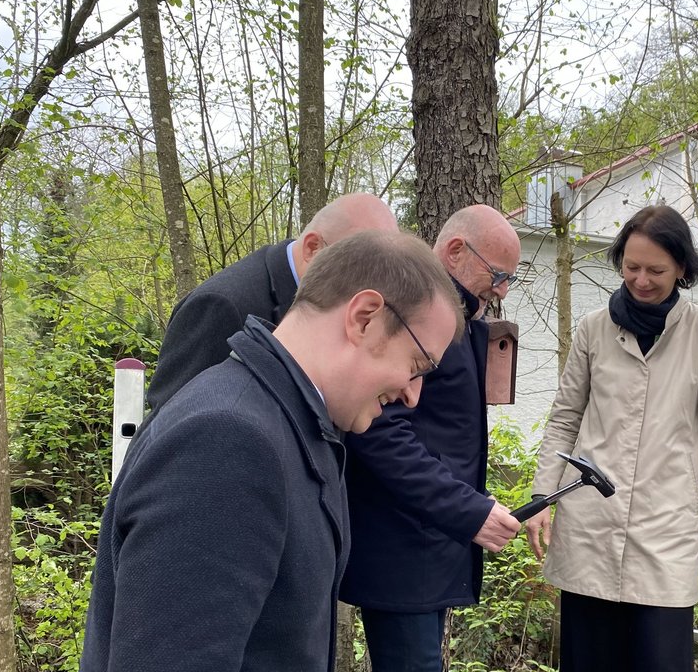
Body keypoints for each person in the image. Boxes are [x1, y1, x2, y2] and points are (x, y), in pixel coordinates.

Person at [80, 231, 464, 672]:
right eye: (416, 367)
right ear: (364, 317)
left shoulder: (293, 423)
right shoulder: (227, 441)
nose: (413, 395)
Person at [524, 204, 698, 672]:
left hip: (664, 529)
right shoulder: (594, 328)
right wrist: (541, 497)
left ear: (682, 270)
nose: (642, 279)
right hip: (590, 524)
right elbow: (565, 417)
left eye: (657, 270)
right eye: (631, 267)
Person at [338, 204, 524, 672]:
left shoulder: (454, 318)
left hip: (431, 543)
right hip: (403, 550)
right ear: (456, 251)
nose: (501, 290)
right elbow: (377, 434)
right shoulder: (413, 315)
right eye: (498, 274)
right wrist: (466, 510)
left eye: (510, 279)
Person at [146, 192, 398, 412]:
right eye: (358, 269)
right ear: (313, 248)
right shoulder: (223, 305)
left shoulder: (333, 308)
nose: (369, 291)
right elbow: (169, 430)